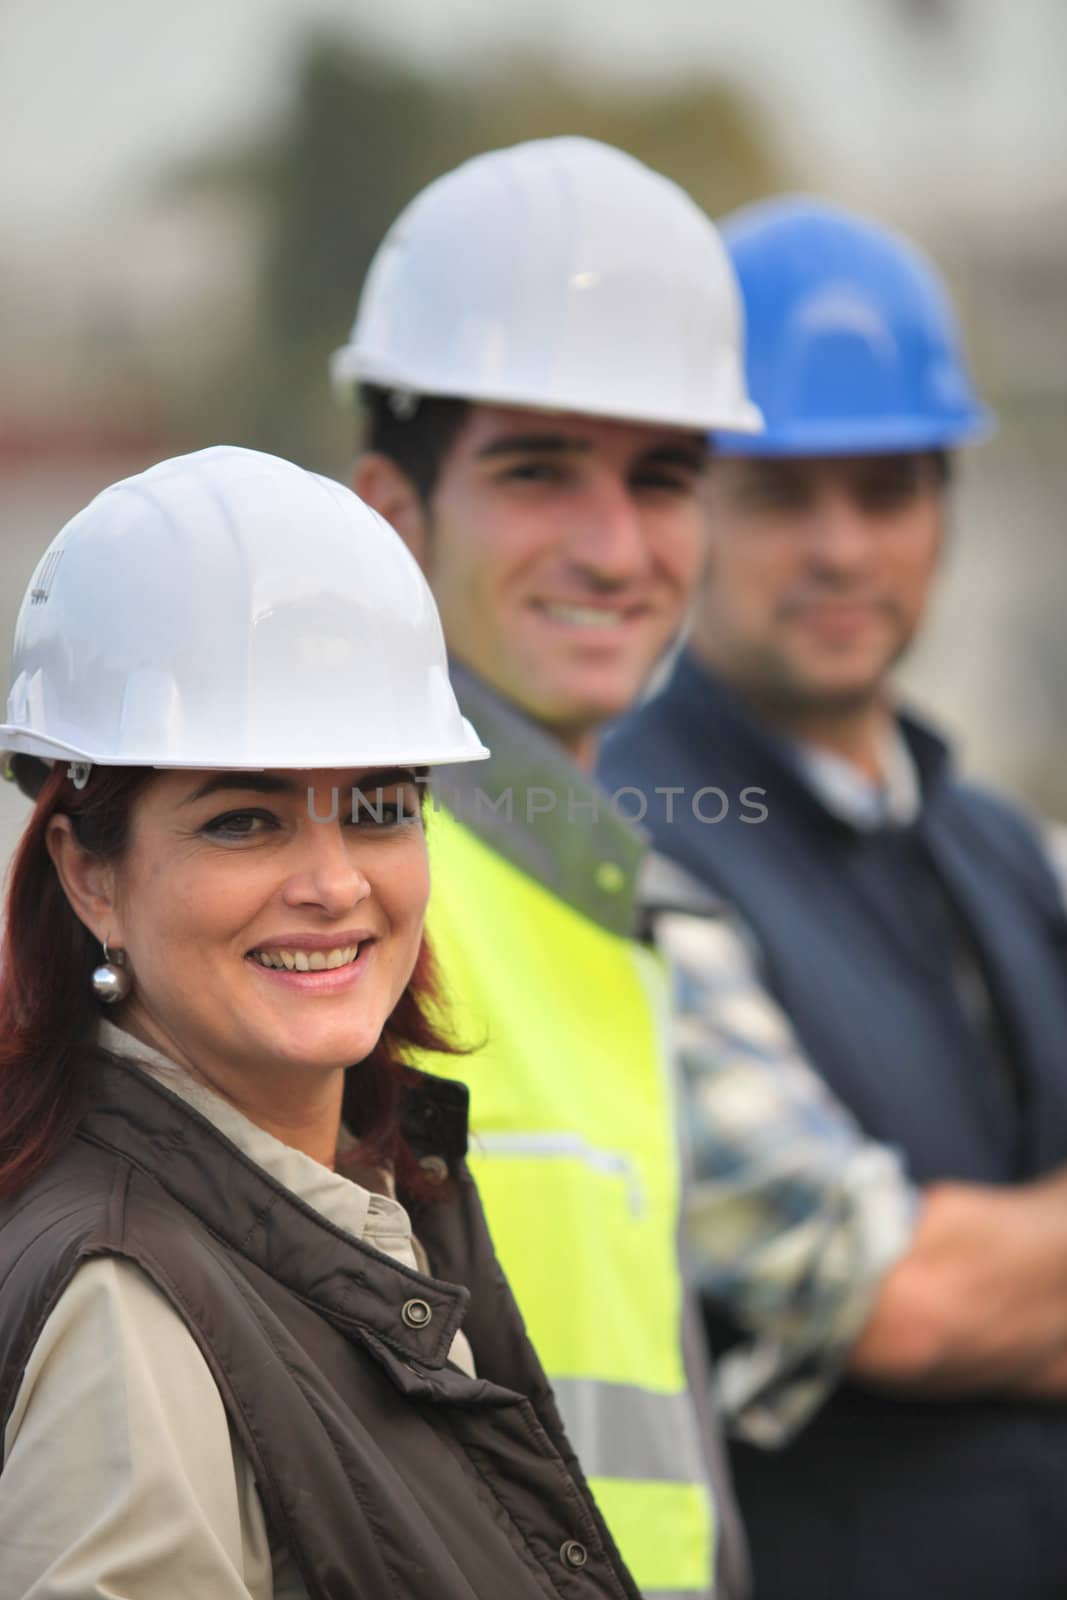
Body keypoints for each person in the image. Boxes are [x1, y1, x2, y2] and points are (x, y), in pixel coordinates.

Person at [0, 445, 644, 1600]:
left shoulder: (391, 1194)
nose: (335, 883)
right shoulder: (125, 1311)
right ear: (89, 875)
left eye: (378, 808)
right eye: (245, 821)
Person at [601, 198, 1067, 1599]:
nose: (840, 549)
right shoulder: (624, 844)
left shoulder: (993, 842)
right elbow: (890, 1300)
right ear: (684, 508)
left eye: (884, 492)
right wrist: (951, 1290)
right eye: (780, 494)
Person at [331, 137, 762, 1600]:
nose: (612, 543)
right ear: (392, 512)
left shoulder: (601, 897)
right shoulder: (351, 904)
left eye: (660, 478)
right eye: (536, 471)